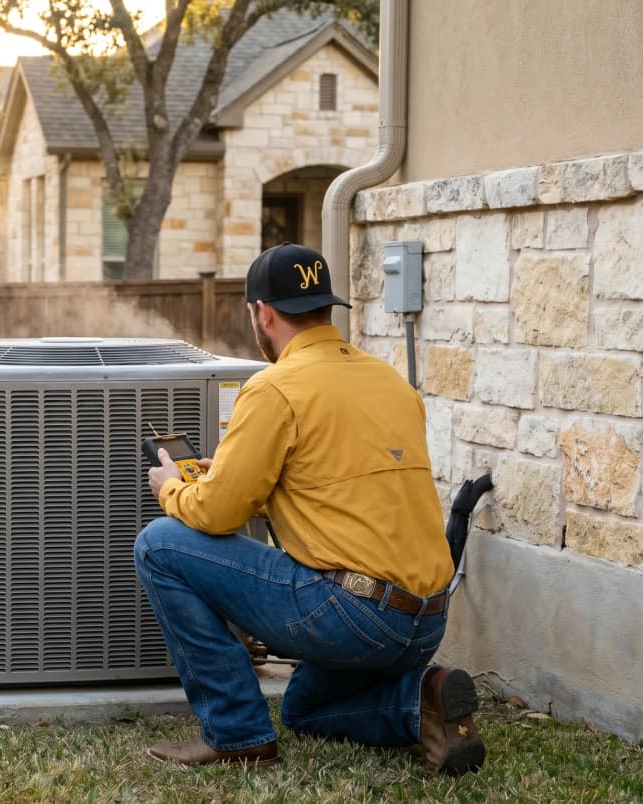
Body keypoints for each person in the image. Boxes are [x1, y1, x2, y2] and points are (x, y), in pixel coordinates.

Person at [135, 242, 485, 775]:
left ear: (264, 314)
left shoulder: (274, 388)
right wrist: (235, 472)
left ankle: (236, 734)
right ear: (327, 309)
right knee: (303, 708)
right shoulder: (391, 382)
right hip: (424, 622)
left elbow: (216, 515)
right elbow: (340, 483)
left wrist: (170, 487)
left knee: (159, 544)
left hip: (354, 617)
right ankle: (423, 702)